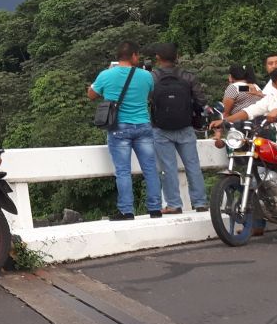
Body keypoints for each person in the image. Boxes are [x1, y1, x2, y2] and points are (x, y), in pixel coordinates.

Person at [214, 67, 277, 235]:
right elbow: (249, 111)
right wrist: (225, 121)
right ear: (275, 85)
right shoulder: (271, 98)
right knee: (258, 177)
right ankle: (257, 223)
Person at [88, 41, 163, 220]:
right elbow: (152, 94)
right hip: (143, 125)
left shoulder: (106, 74)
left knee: (122, 171)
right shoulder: (147, 75)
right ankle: (155, 209)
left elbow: (91, 95)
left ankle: (126, 211)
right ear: (134, 56)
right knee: (150, 169)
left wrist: (104, 81)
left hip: (119, 127)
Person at [148, 43, 208, 215]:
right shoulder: (187, 76)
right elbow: (201, 101)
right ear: (177, 56)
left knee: (168, 167)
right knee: (193, 165)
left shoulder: (151, 77)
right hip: (185, 126)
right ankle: (200, 202)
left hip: (160, 128)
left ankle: (174, 204)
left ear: (157, 57)